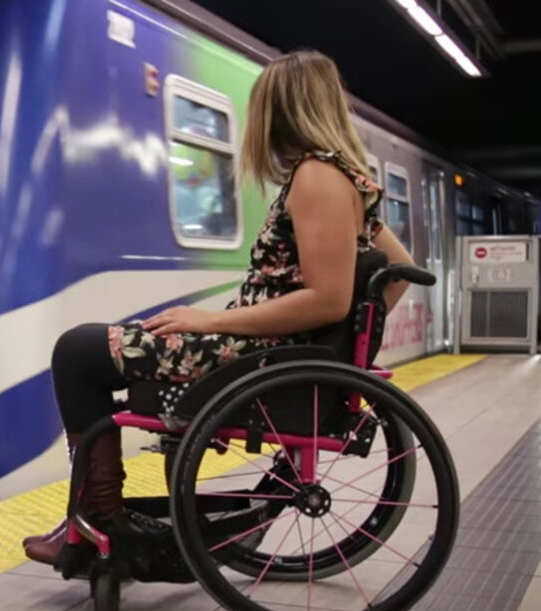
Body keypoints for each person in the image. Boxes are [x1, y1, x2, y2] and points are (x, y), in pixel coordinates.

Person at [22, 50, 416, 565]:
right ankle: (96, 515)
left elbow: (328, 298)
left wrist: (219, 323)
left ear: (280, 111)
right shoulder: (347, 181)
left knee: (77, 351)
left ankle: (101, 518)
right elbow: (403, 267)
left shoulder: (317, 177)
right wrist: (343, 346)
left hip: (259, 356)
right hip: (271, 352)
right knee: (101, 346)